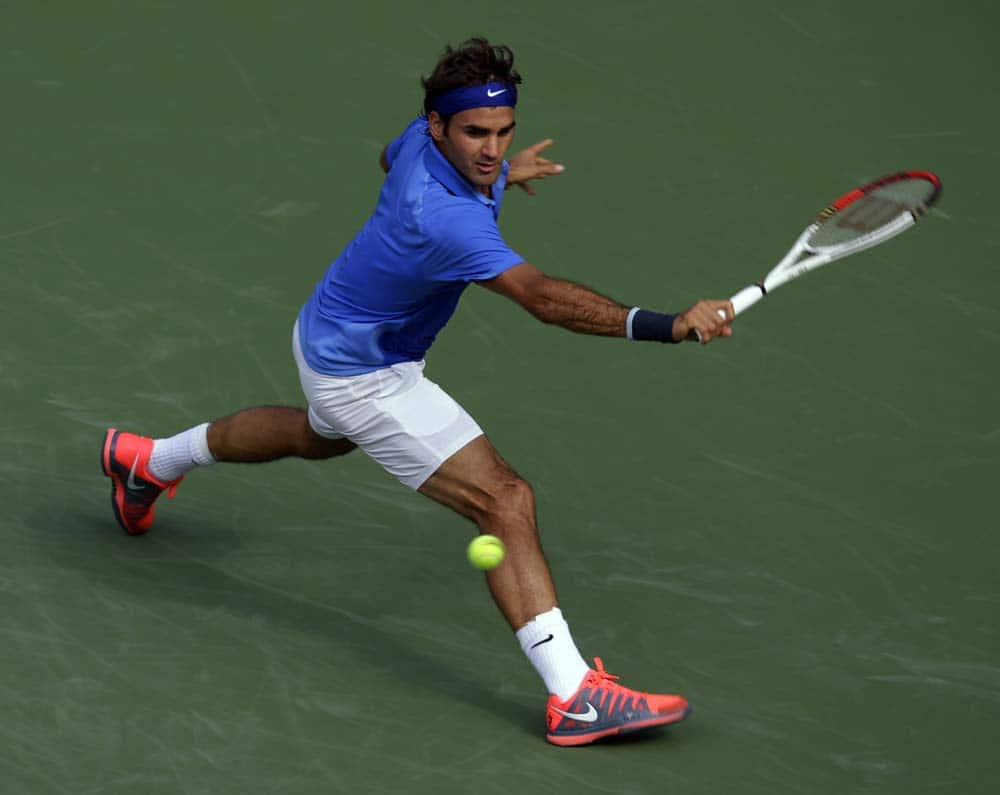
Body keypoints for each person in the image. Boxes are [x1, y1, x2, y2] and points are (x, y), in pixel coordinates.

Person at [101, 37, 734, 746]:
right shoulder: (443, 219)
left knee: (320, 436)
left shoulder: (417, 143)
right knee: (505, 500)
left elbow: (388, 156)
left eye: (503, 132)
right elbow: (543, 299)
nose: (492, 150)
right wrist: (666, 325)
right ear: (439, 126)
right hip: (366, 373)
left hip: (326, 329)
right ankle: (574, 694)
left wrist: (497, 177)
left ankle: (150, 460)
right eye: (475, 134)